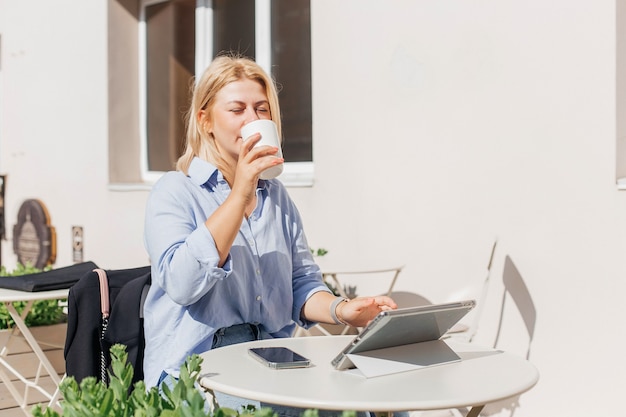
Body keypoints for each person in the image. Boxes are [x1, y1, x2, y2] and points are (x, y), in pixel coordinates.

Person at [142, 53, 397, 414]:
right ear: (205, 121)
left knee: (377, 402)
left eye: (262, 110)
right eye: (238, 109)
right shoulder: (174, 191)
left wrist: (344, 310)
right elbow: (182, 284)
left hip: (272, 360)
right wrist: (239, 193)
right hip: (197, 369)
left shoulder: (276, 198)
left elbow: (302, 284)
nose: (253, 120)